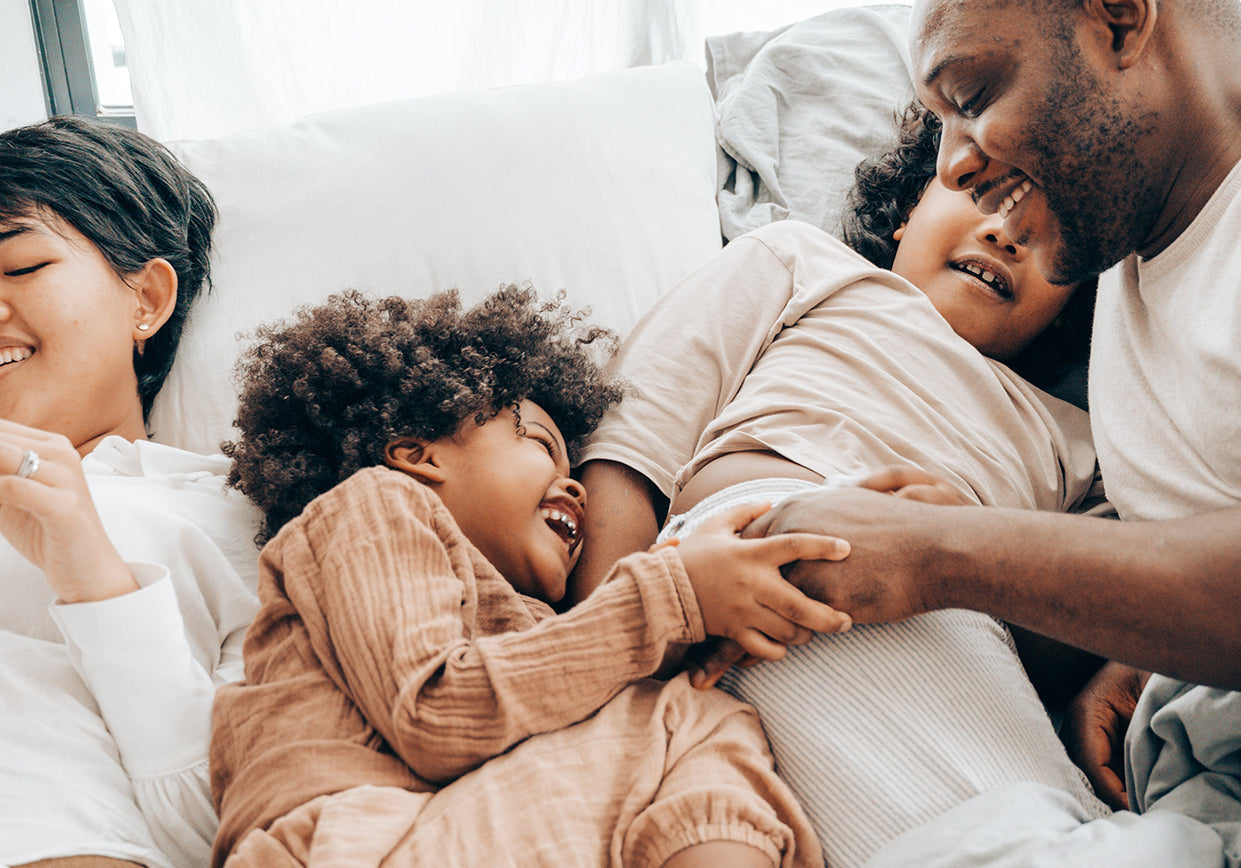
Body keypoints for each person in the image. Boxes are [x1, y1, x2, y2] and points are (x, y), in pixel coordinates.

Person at [721, 0, 1241, 863]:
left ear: (1118, 19)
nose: (955, 165)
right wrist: (1144, 652)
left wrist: (943, 553)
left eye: (971, 94)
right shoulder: (1126, 272)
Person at [571, 103, 1107, 867]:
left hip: (956, 623)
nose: (1007, 231)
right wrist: (612, 641)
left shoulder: (1084, 439)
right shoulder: (805, 266)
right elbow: (628, 445)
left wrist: (978, 547)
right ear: (907, 209)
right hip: (738, 563)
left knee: (1031, 818)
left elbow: (1077, 635)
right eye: (979, 189)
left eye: (1054, 232)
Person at [211, 286, 844, 868]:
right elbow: (434, 710)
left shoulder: (540, 627)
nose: (575, 486)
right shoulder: (371, 510)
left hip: (478, 823)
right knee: (685, 720)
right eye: (541, 444)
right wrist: (675, 594)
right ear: (417, 455)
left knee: (704, 716)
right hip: (352, 836)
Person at [0, 116, 261, 868]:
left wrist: (94, 578)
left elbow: (222, 819)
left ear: (145, 298)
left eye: (19, 267)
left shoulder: (234, 515)